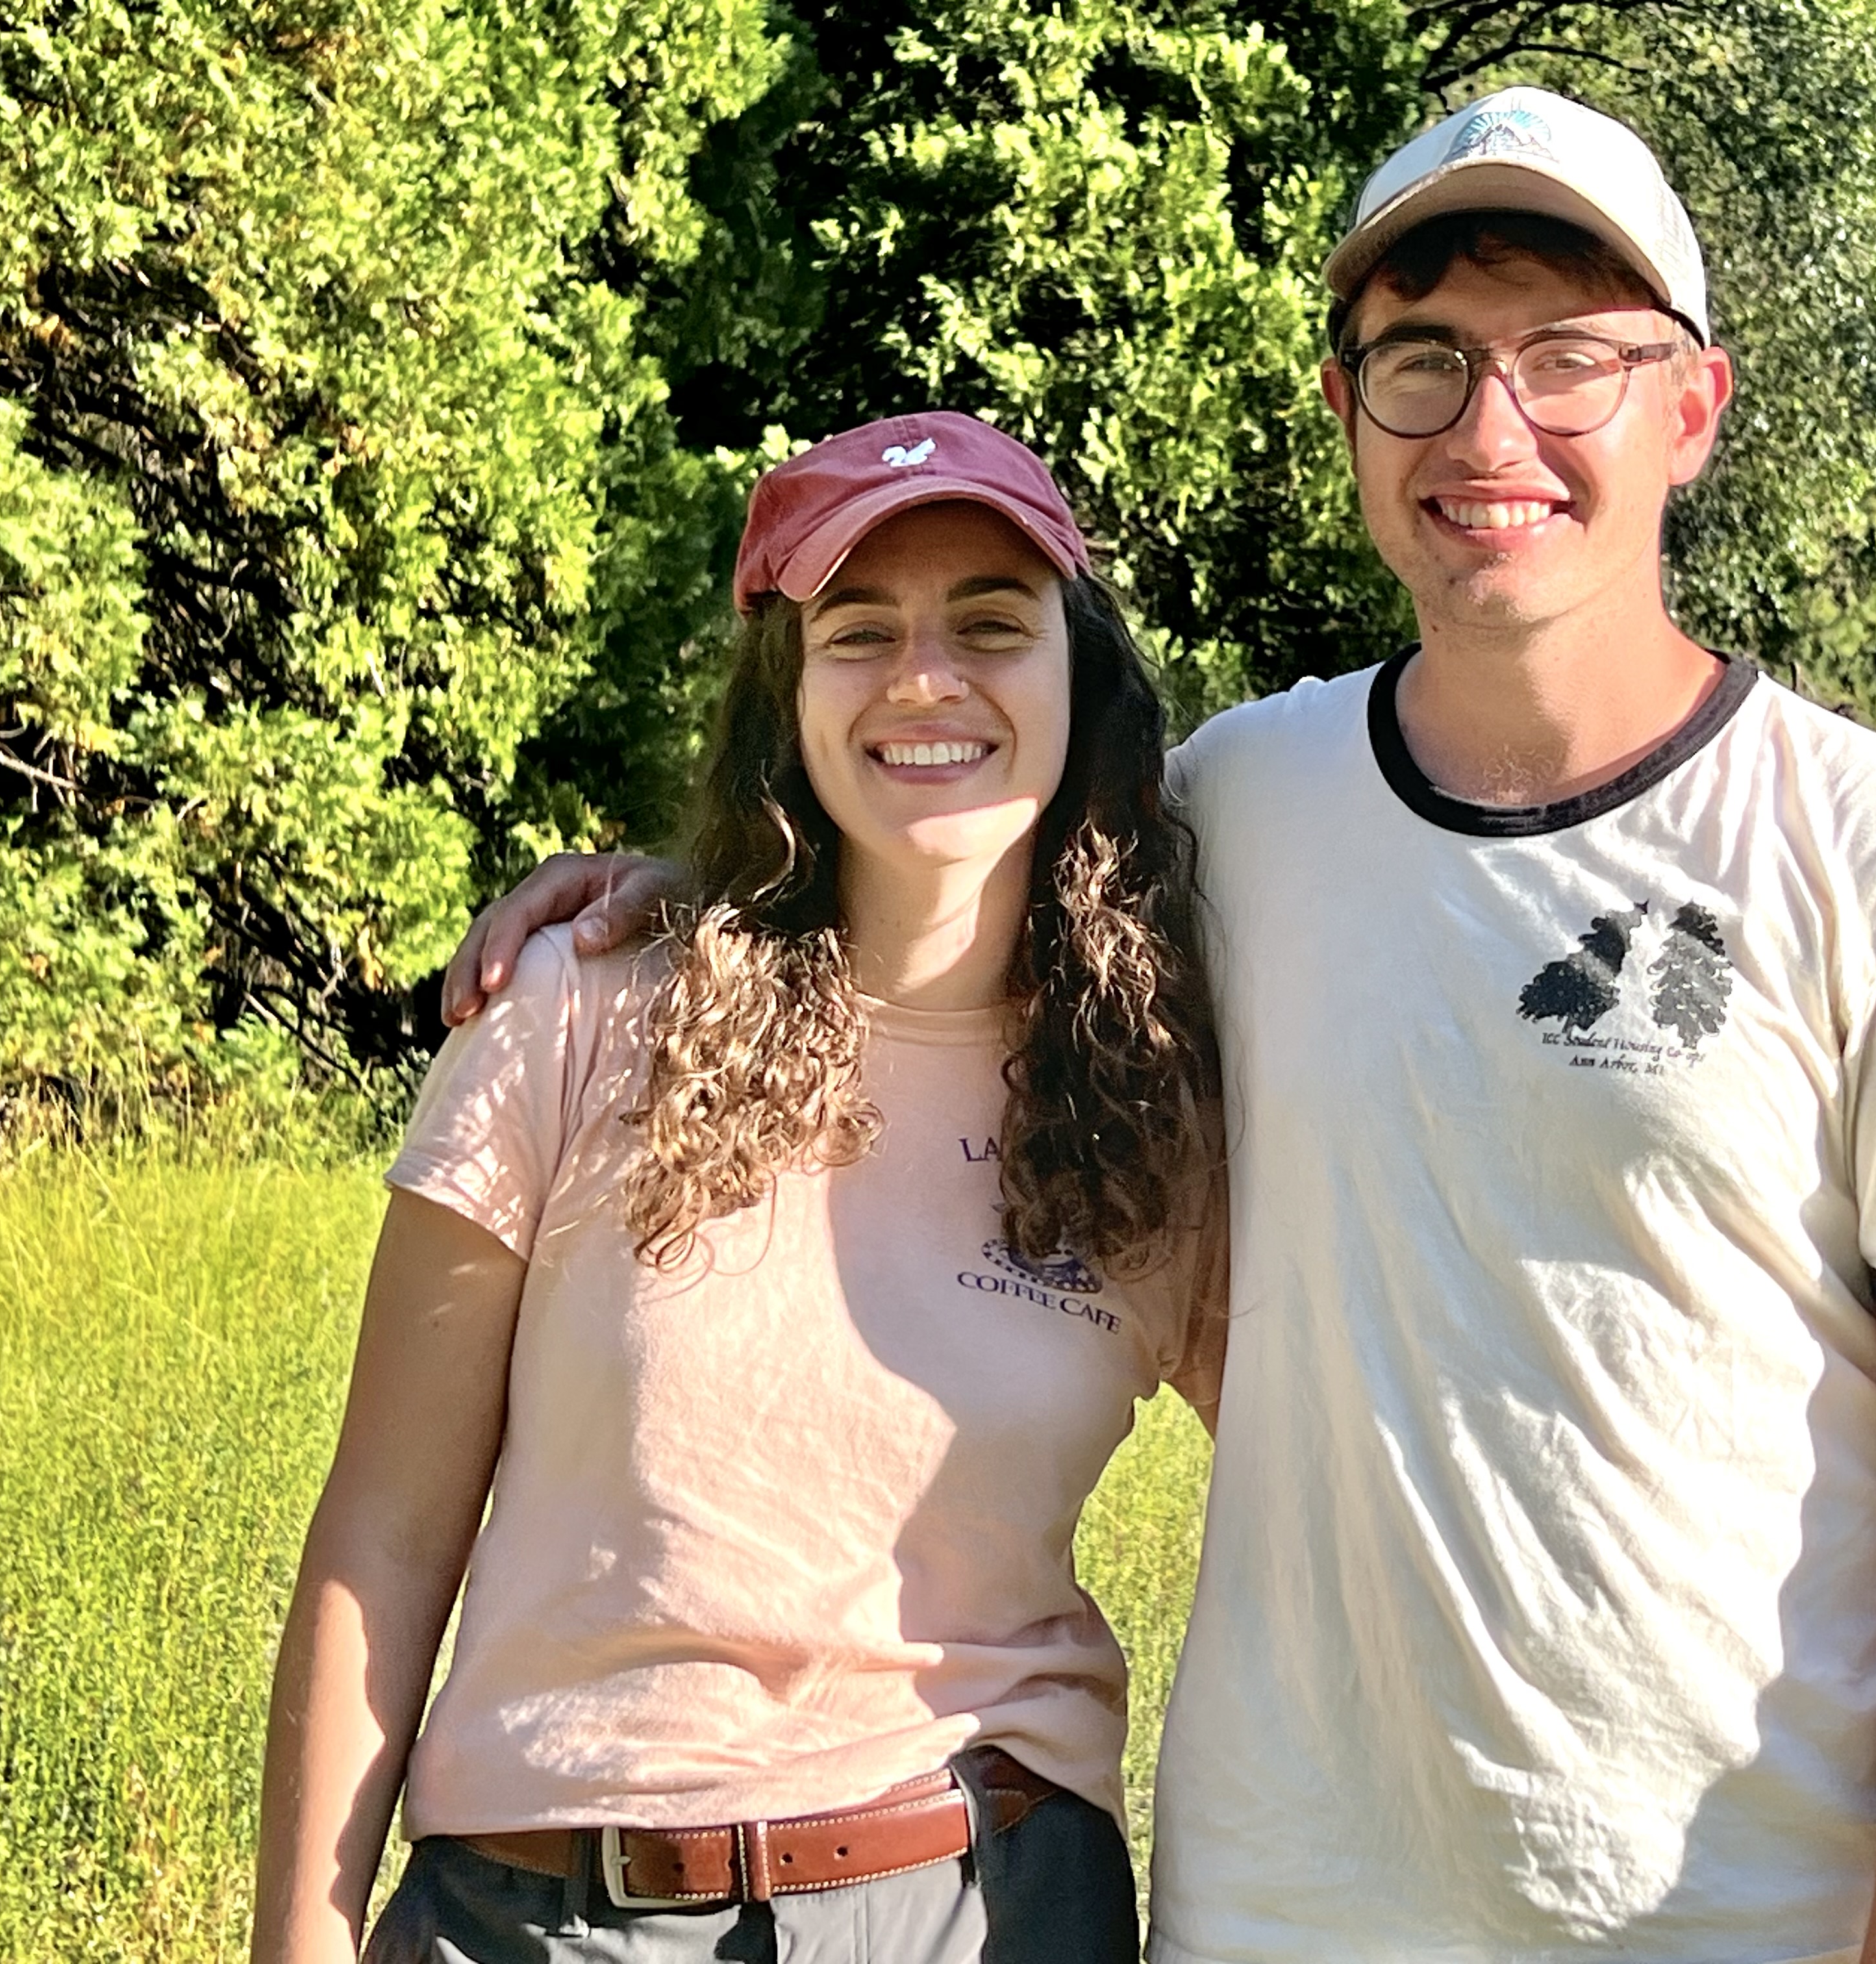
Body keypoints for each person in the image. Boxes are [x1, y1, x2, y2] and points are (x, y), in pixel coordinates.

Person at [443, 86, 1876, 1964]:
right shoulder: (1232, 817)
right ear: (1347, 411)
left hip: (1744, 1918)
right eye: (1425, 361)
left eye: (1572, 359)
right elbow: (931, 841)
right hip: (1291, 1907)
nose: (1491, 429)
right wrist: (680, 888)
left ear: (1693, 408)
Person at [255, 412, 1223, 1964]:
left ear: (1079, 673)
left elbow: (1350, 1486)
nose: (926, 677)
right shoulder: (578, 1010)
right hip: (543, 1917)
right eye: (860, 631)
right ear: (788, 693)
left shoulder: (1151, 1104)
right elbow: (384, 1534)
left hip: (987, 1905)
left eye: (992, 623)